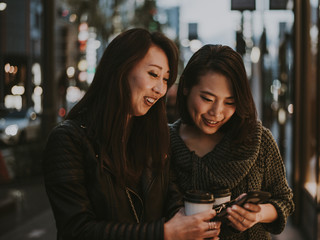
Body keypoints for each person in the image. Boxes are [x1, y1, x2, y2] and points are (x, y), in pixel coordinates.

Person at [43, 28, 221, 240]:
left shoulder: (156, 136)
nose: (160, 89)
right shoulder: (69, 140)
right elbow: (77, 230)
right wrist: (164, 233)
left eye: (166, 79)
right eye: (153, 74)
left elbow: (171, 197)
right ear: (121, 69)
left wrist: (193, 225)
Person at [169, 44, 295, 239]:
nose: (217, 112)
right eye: (207, 98)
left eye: (230, 102)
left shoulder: (258, 140)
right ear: (185, 87)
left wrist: (257, 214)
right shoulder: (164, 143)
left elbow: (284, 201)